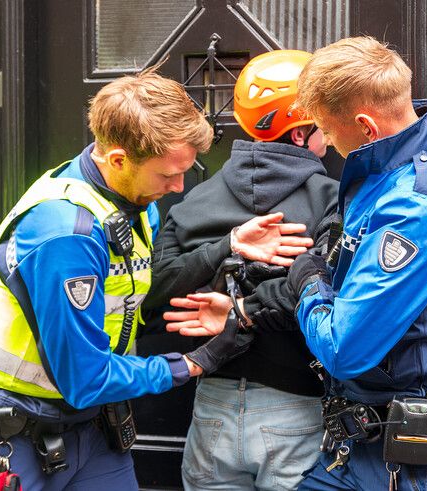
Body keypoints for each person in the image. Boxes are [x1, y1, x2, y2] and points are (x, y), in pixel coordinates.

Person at [0, 68, 311, 490]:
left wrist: (228, 246)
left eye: (186, 171)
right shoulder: (66, 233)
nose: (178, 187)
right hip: (14, 431)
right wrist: (192, 363)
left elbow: (136, 289)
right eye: (168, 174)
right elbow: (85, 379)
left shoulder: (130, 200)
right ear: (118, 159)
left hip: (93, 426)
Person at [282, 36, 427, 489]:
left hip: (423, 467)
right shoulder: (416, 163)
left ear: (365, 126)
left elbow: (344, 349)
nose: (323, 140)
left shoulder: (420, 206)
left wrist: (307, 280)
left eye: (325, 126)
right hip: (355, 447)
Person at [145, 50, 339, 490]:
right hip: (297, 407)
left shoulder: (192, 200)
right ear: (299, 131)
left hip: (210, 407)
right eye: (323, 121)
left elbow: (152, 291)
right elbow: (334, 303)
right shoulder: (334, 199)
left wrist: (222, 257)